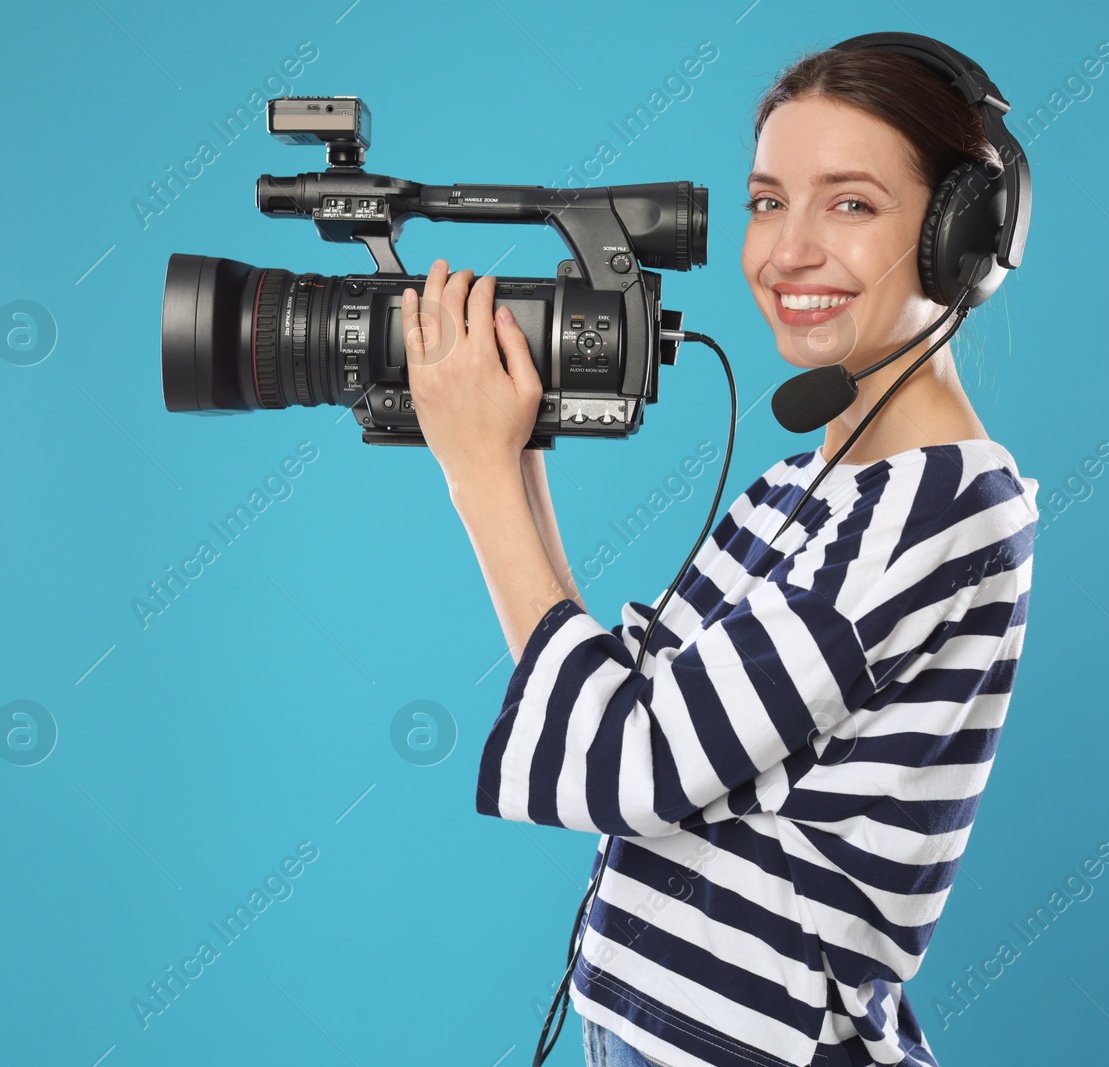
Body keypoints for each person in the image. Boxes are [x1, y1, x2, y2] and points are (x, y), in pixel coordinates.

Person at [401, 40, 1038, 1067]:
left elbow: (630, 766)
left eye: (850, 204)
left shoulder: (936, 505)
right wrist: (511, 459)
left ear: (962, 235)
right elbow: (628, 701)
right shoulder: (805, 486)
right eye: (766, 201)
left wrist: (476, 477)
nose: (785, 252)